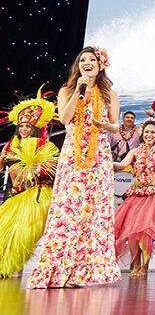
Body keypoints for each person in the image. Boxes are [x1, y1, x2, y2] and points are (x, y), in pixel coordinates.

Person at [28, 46, 122, 288]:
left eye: (92, 60)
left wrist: (105, 126)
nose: (87, 63)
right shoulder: (67, 90)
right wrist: (79, 91)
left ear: (100, 66)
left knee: (94, 210)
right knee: (68, 209)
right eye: (83, 60)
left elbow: (116, 126)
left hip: (98, 156)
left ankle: (86, 271)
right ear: (77, 66)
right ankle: (61, 268)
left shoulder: (109, 93)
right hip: (73, 155)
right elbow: (65, 118)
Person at [0, 88, 59, 278]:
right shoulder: (10, 146)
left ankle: (16, 269)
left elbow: (51, 168)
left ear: (34, 128)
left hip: (36, 195)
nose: (24, 130)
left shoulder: (44, 146)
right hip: (16, 195)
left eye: (27, 126)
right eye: (21, 126)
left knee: (23, 234)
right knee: (5, 231)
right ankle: (8, 269)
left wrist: (35, 170)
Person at [113, 119, 155, 278]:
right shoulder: (135, 152)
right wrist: (106, 162)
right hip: (138, 195)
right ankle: (135, 265)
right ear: (142, 133)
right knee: (132, 233)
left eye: (152, 132)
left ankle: (144, 268)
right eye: (147, 132)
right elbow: (122, 165)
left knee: (145, 233)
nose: (149, 135)